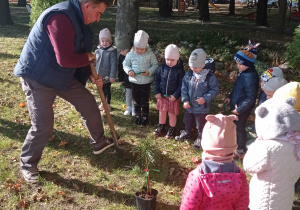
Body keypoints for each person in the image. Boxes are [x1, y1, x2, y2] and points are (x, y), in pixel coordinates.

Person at [14, 0, 112, 183]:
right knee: (43, 125)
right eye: (99, 13)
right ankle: (28, 164)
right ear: (88, 5)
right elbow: (66, 59)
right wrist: (88, 57)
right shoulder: (60, 17)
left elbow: (78, 51)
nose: (98, 19)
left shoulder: (79, 20)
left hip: (61, 75)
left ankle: (99, 142)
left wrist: (88, 74)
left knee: (88, 103)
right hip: (38, 75)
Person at [180, 114, 249, 210]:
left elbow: (188, 206)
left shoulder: (198, 175)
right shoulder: (239, 175)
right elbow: (242, 204)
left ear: (205, 144)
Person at [243, 97, 300, 210]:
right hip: (286, 197)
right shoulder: (297, 144)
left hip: (264, 199)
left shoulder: (266, 148)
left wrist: (255, 147)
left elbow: (249, 166)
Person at [175, 49, 219, 149]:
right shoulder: (189, 74)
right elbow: (184, 87)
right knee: (187, 120)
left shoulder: (209, 77)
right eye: (191, 66)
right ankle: (187, 132)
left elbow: (215, 90)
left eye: (196, 66)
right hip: (189, 106)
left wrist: (205, 98)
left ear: (203, 64)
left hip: (201, 107)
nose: (193, 68)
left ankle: (200, 138)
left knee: (200, 124)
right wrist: (185, 99)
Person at [224, 41, 259, 159]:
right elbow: (237, 88)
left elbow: (251, 98)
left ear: (248, 63)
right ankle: (234, 144)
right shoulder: (243, 73)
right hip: (237, 105)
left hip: (242, 108)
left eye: (240, 64)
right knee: (234, 125)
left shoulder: (250, 77)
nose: (238, 66)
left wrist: (239, 109)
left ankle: (240, 149)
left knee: (239, 127)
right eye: (237, 63)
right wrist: (230, 96)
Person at [123, 30, 158, 126]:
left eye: (142, 49)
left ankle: (145, 116)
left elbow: (155, 64)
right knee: (136, 100)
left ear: (146, 47)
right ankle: (137, 115)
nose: (139, 51)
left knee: (145, 100)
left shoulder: (150, 55)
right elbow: (125, 64)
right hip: (135, 81)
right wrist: (129, 71)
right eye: (137, 48)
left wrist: (149, 71)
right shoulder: (131, 54)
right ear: (134, 46)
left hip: (146, 82)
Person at [153, 44, 185, 138]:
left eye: (172, 60)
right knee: (162, 111)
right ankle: (161, 125)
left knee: (171, 113)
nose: (169, 62)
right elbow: (156, 80)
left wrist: (175, 95)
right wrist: (156, 92)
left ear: (177, 59)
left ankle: (172, 128)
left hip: (172, 97)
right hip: (162, 96)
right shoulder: (161, 68)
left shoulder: (180, 71)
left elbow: (181, 85)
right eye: (167, 59)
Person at [95, 28, 117, 112]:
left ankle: (107, 104)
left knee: (107, 90)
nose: (104, 43)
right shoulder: (97, 51)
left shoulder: (111, 52)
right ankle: (102, 103)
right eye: (102, 41)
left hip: (107, 76)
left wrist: (112, 76)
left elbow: (113, 65)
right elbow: (94, 62)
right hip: (98, 75)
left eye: (106, 41)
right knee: (100, 90)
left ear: (110, 42)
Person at [115, 35, 136, 116]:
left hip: (135, 79)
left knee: (134, 94)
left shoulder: (134, 55)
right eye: (119, 50)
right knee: (128, 94)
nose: (121, 52)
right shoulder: (121, 57)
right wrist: (121, 79)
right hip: (126, 79)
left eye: (123, 50)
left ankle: (134, 108)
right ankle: (128, 108)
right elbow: (120, 68)